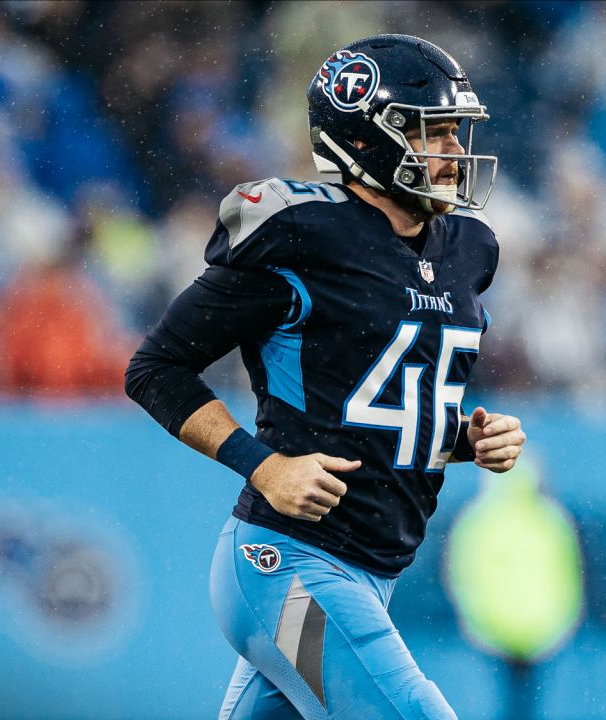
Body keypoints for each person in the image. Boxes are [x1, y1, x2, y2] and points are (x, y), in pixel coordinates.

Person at [125, 34, 526, 719]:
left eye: (457, 133)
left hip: (370, 573)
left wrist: (464, 438)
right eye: (434, 134)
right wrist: (263, 466)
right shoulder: (304, 233)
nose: (456, 153)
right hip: (289, 566)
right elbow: (155, 367)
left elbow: (375, 406)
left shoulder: (467, 250)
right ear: (368, 141)